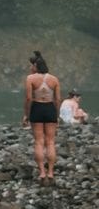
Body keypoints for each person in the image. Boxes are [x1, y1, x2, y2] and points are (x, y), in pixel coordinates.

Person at [24, 51, 61, 181]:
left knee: (39, 141)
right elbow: (57, 99)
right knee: (50, 142)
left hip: (37, 108)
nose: (30, 68)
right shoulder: (54, 79)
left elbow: (29, 98)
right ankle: (51, 172)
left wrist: (26, 115)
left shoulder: (30, 78)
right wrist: (57, 115)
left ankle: (42, 172)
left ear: (36, 65)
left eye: (31, 66)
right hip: (50, 108)